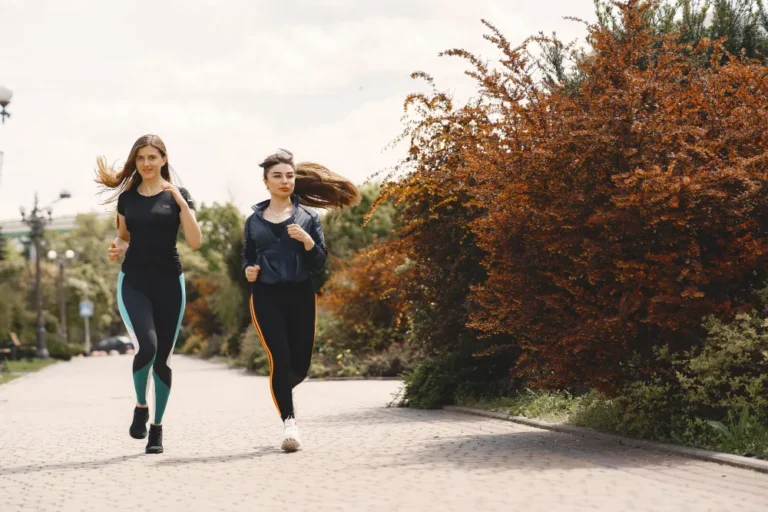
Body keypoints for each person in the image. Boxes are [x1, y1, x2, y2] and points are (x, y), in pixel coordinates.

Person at [243, 148, 360, 452]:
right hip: (266, 296)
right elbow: (246, 257)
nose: (285, 181)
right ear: (266, 181)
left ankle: (280, 390)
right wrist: (249, 270)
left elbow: (320, 263)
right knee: (279, 358)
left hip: (300, 295)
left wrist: (308, 242)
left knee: (301, 366)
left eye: (290, 176)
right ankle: (289, 424)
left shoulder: (309, 218)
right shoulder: (253, 221)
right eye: (277, 176)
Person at [95, 134, 202, 454]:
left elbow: (195, 241)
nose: (146, 163)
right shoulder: (128, 198)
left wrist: (181, 202)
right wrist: (117, 248)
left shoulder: (178, 195)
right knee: (148, 346)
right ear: (135, 161)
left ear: (164, 159)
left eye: (153, 157)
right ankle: (141, 405)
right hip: (135, 281)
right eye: (141, 158)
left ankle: (157, 428)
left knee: (164, 360)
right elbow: (123, 237)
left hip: (170, 282)